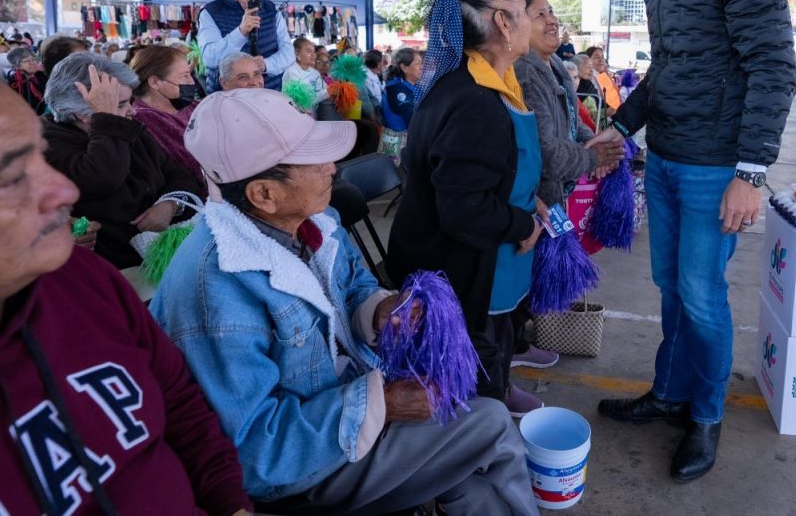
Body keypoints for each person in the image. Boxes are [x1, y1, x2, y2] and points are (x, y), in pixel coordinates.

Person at [150, 89, 536, 516]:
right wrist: (382, 404)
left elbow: (353, 284)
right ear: (263, 194)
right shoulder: (215, 292)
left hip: (344, 403)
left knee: (471, 472)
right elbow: (256, 452)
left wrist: (379, 309)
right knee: (490, 423)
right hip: (303, 469)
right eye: (314, 160)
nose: (332, 168)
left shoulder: (314, 220)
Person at [586, 0, 795, 481]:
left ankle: (705, 417)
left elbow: (773, 68)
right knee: (671, 288)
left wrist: (750, 173)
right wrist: (622, 126)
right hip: (667, 159)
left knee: (702, 296)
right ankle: (669, 392)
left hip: (715, 168)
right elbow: (666, 69)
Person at [0, 47, 252, 515]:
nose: (64, 192)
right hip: (134, 267)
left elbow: (181, 407)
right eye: (9, 176)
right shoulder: (84, 142)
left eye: (36, 160)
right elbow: (99, 182)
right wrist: (107, 121)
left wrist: (232, 504)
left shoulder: (83, 280)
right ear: (83, 111)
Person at [386, 0, 548, 418]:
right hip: (463, 269)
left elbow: (492, 169)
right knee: (473, 374)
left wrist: (528, 198)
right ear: (503, 22)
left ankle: (498, 388)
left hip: (487, 256)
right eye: (524, 11)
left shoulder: (486, 83)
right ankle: (486, 421)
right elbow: (463, 209)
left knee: (497, 345)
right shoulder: (475, 100)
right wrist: (523, 224)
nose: (532, 22)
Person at [512, 0, 624, 371]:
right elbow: (545, 153)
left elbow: (573, 125)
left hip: (557, 192)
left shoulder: (556, 66)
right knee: (525, 270)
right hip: (536, 195)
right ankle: (514, 346)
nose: (552, 21)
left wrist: (596, 145)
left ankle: (522, 336)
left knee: (539, 271)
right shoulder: (524, 72)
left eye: (552, 12)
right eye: (540, 14)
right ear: (516, 23)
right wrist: (591, 157)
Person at [42, 54, 203, 268]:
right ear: (82, 114)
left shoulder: (128, 129)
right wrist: (107, 118)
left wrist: (171, 204)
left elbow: (177, 173)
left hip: (159, 257)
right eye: (120, 104)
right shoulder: (47, 146)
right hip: (112, 269)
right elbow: (103, 178)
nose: (133, 110)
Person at [197, 0, 295, 92]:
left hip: (269, 92)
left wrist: (267, 64)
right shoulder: (210, 12)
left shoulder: (270, 9)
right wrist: (241, 32)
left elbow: (288, 52)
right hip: (227, 96)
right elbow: (210, 58)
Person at [130, 45, 206, 194]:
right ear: (155, 82)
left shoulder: (191, 105)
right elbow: (194, 164)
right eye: (185, 76)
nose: (192, 82)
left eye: (190, 74)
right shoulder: (144, 119)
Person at [379, 47, 422, 165]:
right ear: (404, 68)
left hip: (401, 136)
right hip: (396, 138)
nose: (422, 67)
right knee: (393, 172)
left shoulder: (407, 84)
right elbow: (413, 116)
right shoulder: (396, 89)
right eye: (418, 63)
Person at [281, 38, 328, 111]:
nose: (313, 55)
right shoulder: (292, 72)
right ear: (297, 53)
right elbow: (300, 101)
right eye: (309, 51)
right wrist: (328, 92)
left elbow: (326, 89)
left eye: (314, 52)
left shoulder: (315, 72)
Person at [5, 46, 46, 114]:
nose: (32, 62)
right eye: (27, 61)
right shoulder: (14, 83)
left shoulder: (42, 75)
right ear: (17, 65)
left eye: (33, 59)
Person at [585, 45, 621, 111]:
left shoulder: (602, 76)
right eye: (597, 57)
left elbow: (614, 100)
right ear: (588, 60)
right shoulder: (588, 78)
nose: (601, 60)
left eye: (602, 57)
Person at [565, 60, 598, 131]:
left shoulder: (575, 97)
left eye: (576, 77)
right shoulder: (566, 100)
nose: (573, 82)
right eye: (569, 78)